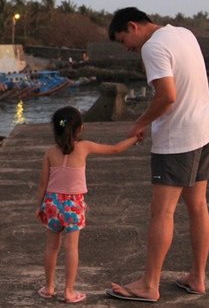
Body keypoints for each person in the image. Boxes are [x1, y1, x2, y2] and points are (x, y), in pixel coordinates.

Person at [105, 7, 209, 302]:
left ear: (133, 26)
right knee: (198, 206)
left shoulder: (153, 46)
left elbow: (167, 95)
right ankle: (198, 278)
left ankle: (149, 284)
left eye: (122, 40)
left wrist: (140, 122)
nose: (126, 48)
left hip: (178, 139)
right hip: (204, 131)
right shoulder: (184, 33)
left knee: (162, 212)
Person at [36, 106, 140, 304]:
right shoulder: (84, 147)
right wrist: (135, 138)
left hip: (52, 203)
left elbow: (43, 183)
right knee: (72, 248)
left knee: (51, 247)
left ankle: (49, 287)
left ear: (55, 129)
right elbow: (115, 148)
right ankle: (68, 291)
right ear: (80, 129)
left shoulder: (50, 152)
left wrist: (38, 206)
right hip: (73, 205)